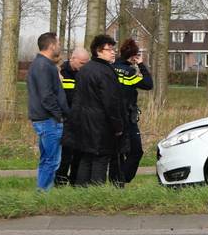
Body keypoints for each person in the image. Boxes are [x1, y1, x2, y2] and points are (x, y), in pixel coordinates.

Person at [64, 35, 125, 186]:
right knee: (100, 158)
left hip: (83, 123)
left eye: (113, 49)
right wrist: (118, 126)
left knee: (86, 157)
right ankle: (97, 195)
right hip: (101, 125)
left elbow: (77, 99)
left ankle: (81, 192)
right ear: (98, 51)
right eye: (109, 49)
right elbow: (111, 102)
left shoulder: (85, 70)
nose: (113, 52)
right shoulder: (106, 72)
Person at [27, 32, 68, 192]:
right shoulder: (43, 66)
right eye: (58, 43)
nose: (60, 46)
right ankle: (43, 194)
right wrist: (59, 116)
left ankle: (42, 191)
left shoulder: (41, 64)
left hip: (45, 119)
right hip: (48, 120)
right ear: (51, 46)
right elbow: (46, 96)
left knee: (47, 159)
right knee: (52, 160)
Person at [111, 38, 153, 184]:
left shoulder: (112, 68)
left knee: (118, 153)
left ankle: (116, 182)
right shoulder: (128, 72)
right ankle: (121, 179)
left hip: (112, 117)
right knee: (136, 151)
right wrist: (141, 64)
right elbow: (148, 84)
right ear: (133, 55)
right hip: (128, 119)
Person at [56, 47, 90, 186]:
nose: (84, 66)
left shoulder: (86, 74)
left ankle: (75, 182)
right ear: (73, 58)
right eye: (82, 63)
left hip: (82, 120)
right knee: (65, 154)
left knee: (79, 153)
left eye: (86, 63)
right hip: (65, 120)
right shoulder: (61, 73)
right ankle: (60, 182)